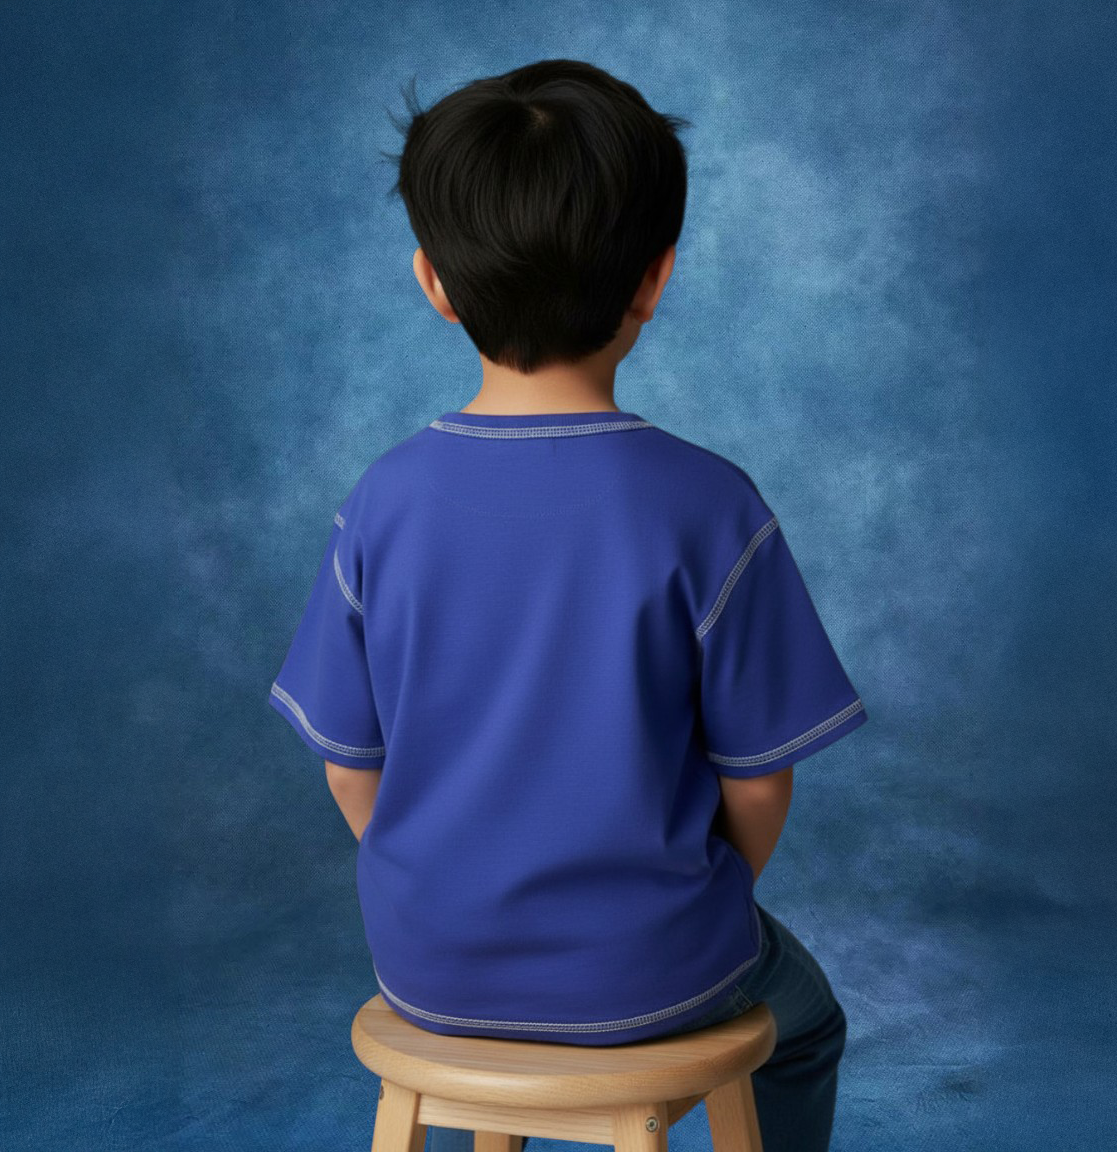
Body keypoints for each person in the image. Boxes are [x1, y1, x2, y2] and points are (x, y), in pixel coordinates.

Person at [268, 59, 867, 1152]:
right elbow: (761, 780)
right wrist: (700, 900)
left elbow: (350, 765)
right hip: (659, 964)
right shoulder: (710, 506)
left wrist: (438, 877)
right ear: (656, 278)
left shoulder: (381, 505)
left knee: (466, 1065)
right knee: (809, 1023)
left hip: (429, 964)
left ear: (434, 283)